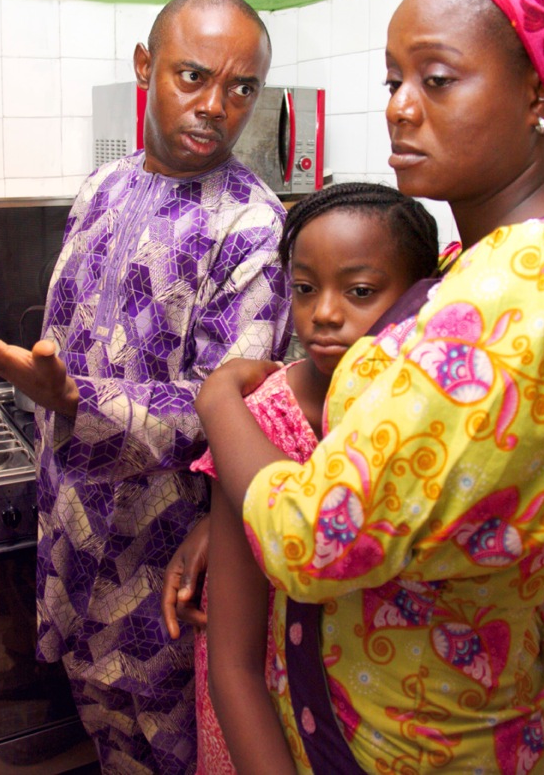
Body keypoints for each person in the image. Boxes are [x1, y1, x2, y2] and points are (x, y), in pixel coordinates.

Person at [194, 0, 544, 774]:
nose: (400, 107)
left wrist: (219, 401)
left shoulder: (511, 297)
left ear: (537, 90)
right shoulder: (482, 262)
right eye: (393, 80)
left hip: (420, 747)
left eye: (437, 78)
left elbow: (313, 538)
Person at [0, 0, 293, 774]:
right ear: (146, 67)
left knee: (168, 750)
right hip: (71, 533)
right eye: (192, 75)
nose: (215, 106)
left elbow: (226, 412)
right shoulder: (101, 190)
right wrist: (49, 392)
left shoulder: (253, 227)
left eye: (241, 88)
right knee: (104, 740)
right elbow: (68, 336)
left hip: (163, 566)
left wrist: (78, 403)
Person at [184, 182, 439, 775]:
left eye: (360, 291)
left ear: (419, 300)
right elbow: (233, 661)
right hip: (267, 726)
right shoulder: (263, 418)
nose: (323, 313)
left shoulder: (434, 418)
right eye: (303, 289)